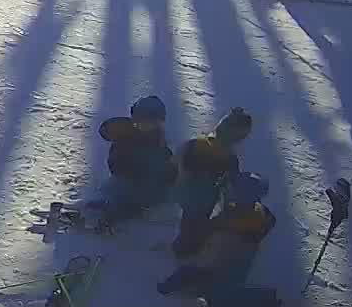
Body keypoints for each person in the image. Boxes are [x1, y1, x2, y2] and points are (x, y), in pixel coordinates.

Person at [157, 173, 280, 306]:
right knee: (197, 276)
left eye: (234, 190)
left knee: (216, 291)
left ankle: (267, 298)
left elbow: (209, 230)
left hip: (227, 265)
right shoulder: (256, 212)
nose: (230, 191)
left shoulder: (235, 217)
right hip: (223, 260)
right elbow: (270, 221)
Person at [175, 107, 254, 256]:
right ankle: (185, 248)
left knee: (191, 220)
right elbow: (230, 184)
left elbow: (179, 161)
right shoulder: (229, 158)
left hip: (192, 193)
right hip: (202, 196)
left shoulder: (196, 144)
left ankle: (185, 244)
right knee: (194, 222)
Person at [97, 95, 177, 224]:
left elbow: (167, 162)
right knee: (116, 193)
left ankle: (133, 209)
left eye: (154, 122)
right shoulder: (126, 136)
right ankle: (105, 213)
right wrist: (130, 171)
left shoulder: (158, 139)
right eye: (143, 122)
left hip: (148, 185)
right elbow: (115, 162)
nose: (148, 126)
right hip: (127, 181)